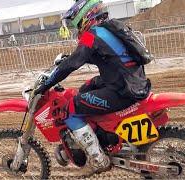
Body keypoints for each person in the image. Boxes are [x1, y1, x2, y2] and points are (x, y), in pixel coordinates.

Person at [35, 0, 151, 175]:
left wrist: (47, 83)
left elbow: (73, 64)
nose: (76, 27)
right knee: (85, 89)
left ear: (85, 17)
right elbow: (104, 55)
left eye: (76, 23)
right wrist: (68, 58)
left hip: (123, 88)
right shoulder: (107, 29)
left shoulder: (92, 34)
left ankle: (98, 159)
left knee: (70, 109)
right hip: (131, 81)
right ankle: (102, 136)